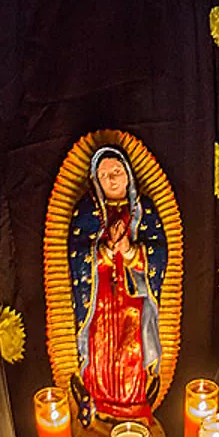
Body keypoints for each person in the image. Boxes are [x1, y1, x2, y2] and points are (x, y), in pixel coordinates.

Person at [70, 145, 167, 422]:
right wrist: (107, 251)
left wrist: (131, 251)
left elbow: (160, 251)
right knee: (101, 349)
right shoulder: (87, 210)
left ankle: (133, 407)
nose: (112, 180)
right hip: (99, 298)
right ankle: (100, 406)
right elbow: (76, 254)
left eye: (116, 172)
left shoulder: (143, 209)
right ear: (95, 180)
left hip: (132, 298)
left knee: (130, 348)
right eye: (104, 175)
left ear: (128, 174)